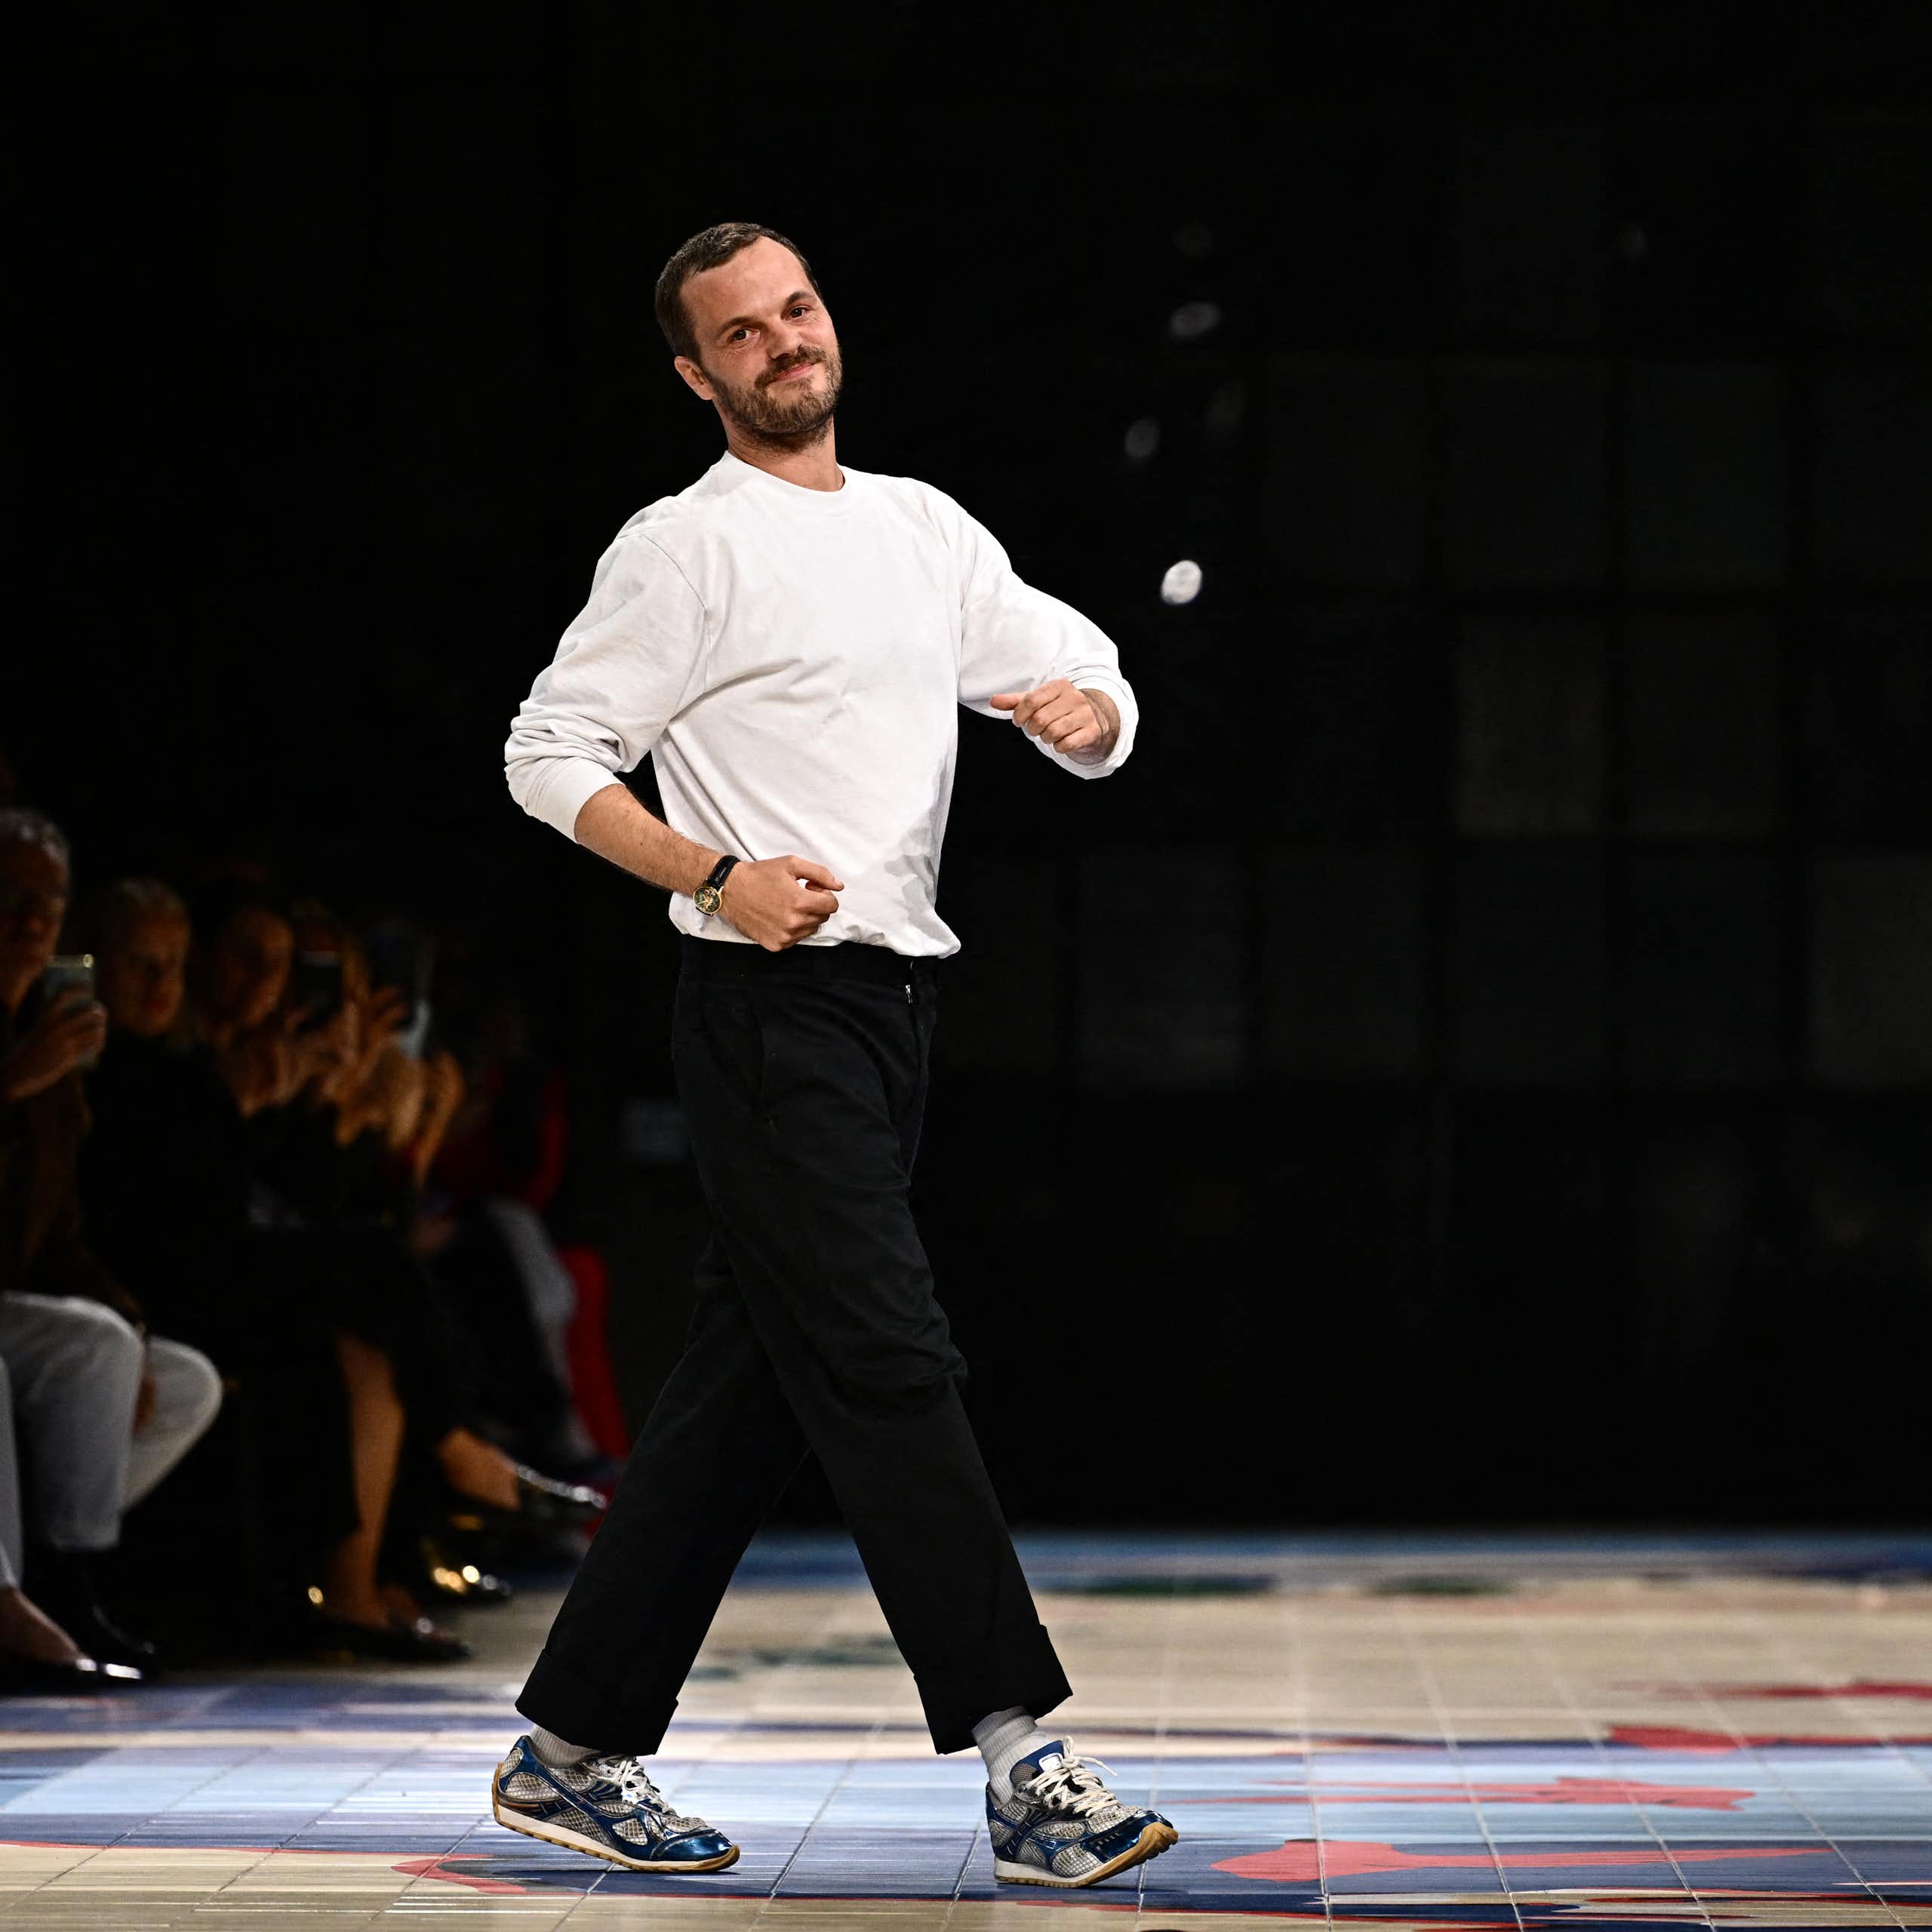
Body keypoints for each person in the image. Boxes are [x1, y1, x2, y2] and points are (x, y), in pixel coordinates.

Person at [491, 223, 1176, 1891]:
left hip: (888, 1017)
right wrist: (711, 874)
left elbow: (1071, 659)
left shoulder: (916, 528)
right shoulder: (683, 547)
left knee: (748, 1391)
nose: (783, 344)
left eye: (794, 310)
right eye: (742, 332)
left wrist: (1088, 713)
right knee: (883, 1357)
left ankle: (571, 1744)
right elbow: (545, 750)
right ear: (696, 374)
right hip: (765, 1006)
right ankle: (1025, 1756)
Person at [0, 811, 223, 1670]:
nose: (29, 919)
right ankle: (57, 1599)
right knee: (84, 1344)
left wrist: (125, 1316)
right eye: (12, 897)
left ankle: (52, 1571)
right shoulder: (41, 1052)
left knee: (176, 1378)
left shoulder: (48, 1037)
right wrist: (15, 1081)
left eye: (46, 901)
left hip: (25, 1294)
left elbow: (60, 1228)